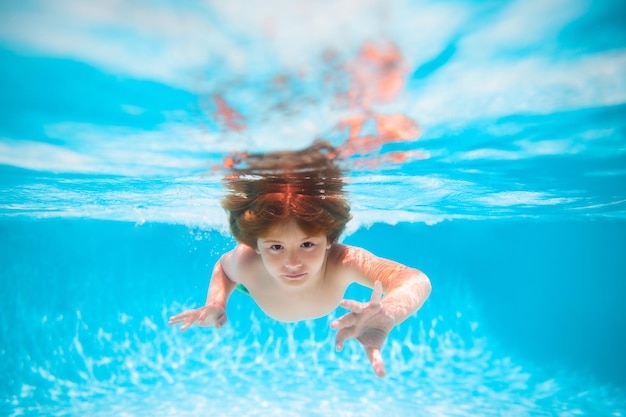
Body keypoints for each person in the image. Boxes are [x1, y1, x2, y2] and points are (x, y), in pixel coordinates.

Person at [168, 141, 431, 378]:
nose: (292, 263)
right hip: (254, 287)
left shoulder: (342, 260)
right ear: (255, 245)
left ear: (329, 239)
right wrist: (217, 303)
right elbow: (224, 269)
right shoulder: (248, 262)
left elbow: (414, 279)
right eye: (276, 247)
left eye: (307, 244)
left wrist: (390, 312)